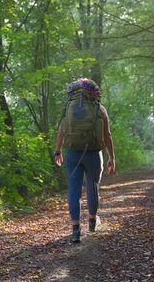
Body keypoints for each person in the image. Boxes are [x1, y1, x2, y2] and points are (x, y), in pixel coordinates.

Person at [54, 78, 116, 243]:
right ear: (93, 93)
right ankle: (92, 222)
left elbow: (61, 132)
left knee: (74, 190)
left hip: (72, 154)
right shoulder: (99, 108)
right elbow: (107, 135)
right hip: (94, 154)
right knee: (92, 187)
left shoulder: (69, 108)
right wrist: (111, 157)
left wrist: (58, 151)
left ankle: (75, 230)